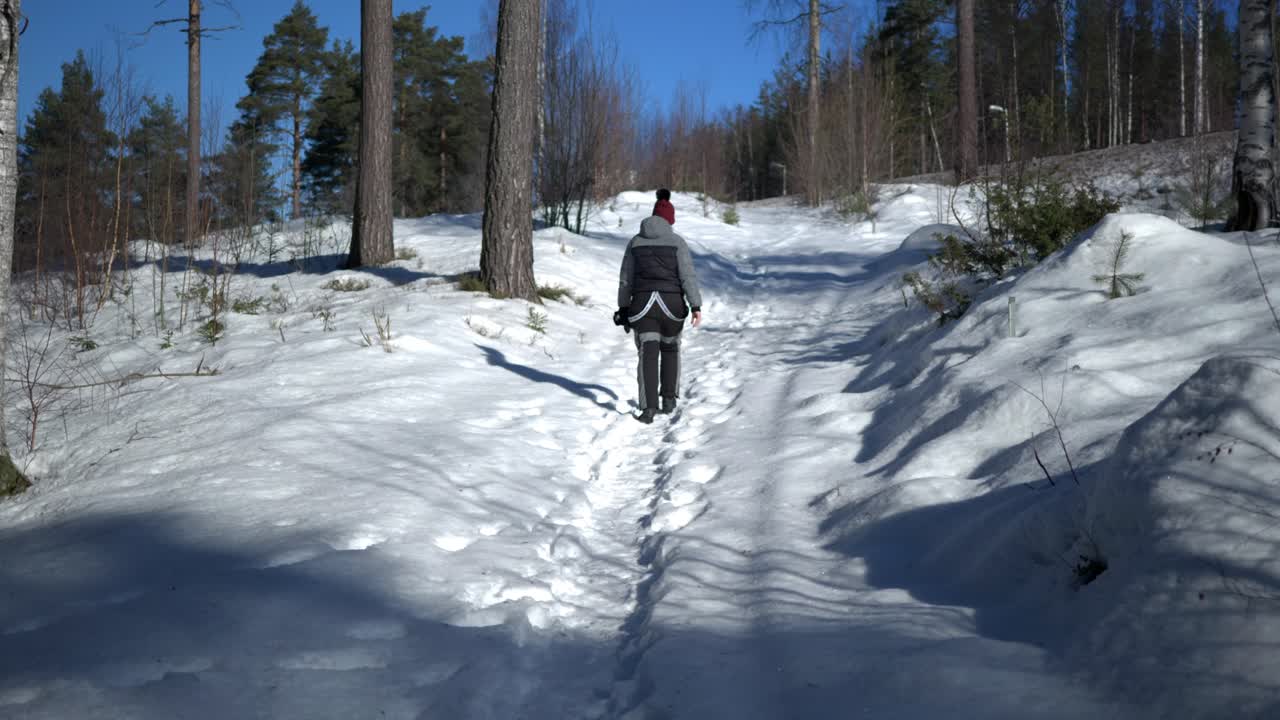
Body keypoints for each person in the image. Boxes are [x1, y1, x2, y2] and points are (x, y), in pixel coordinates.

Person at [616, 189, 703, 424]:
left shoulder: (635, 242)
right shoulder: (677, 242)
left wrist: (623, 309)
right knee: (671, 349)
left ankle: (648, 408)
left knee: (648, 353)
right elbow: (688, 276)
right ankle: (668, 399)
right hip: (672, 306)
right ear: (670, 220)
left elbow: (626, 279)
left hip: (643, 305)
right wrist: (695, 305)